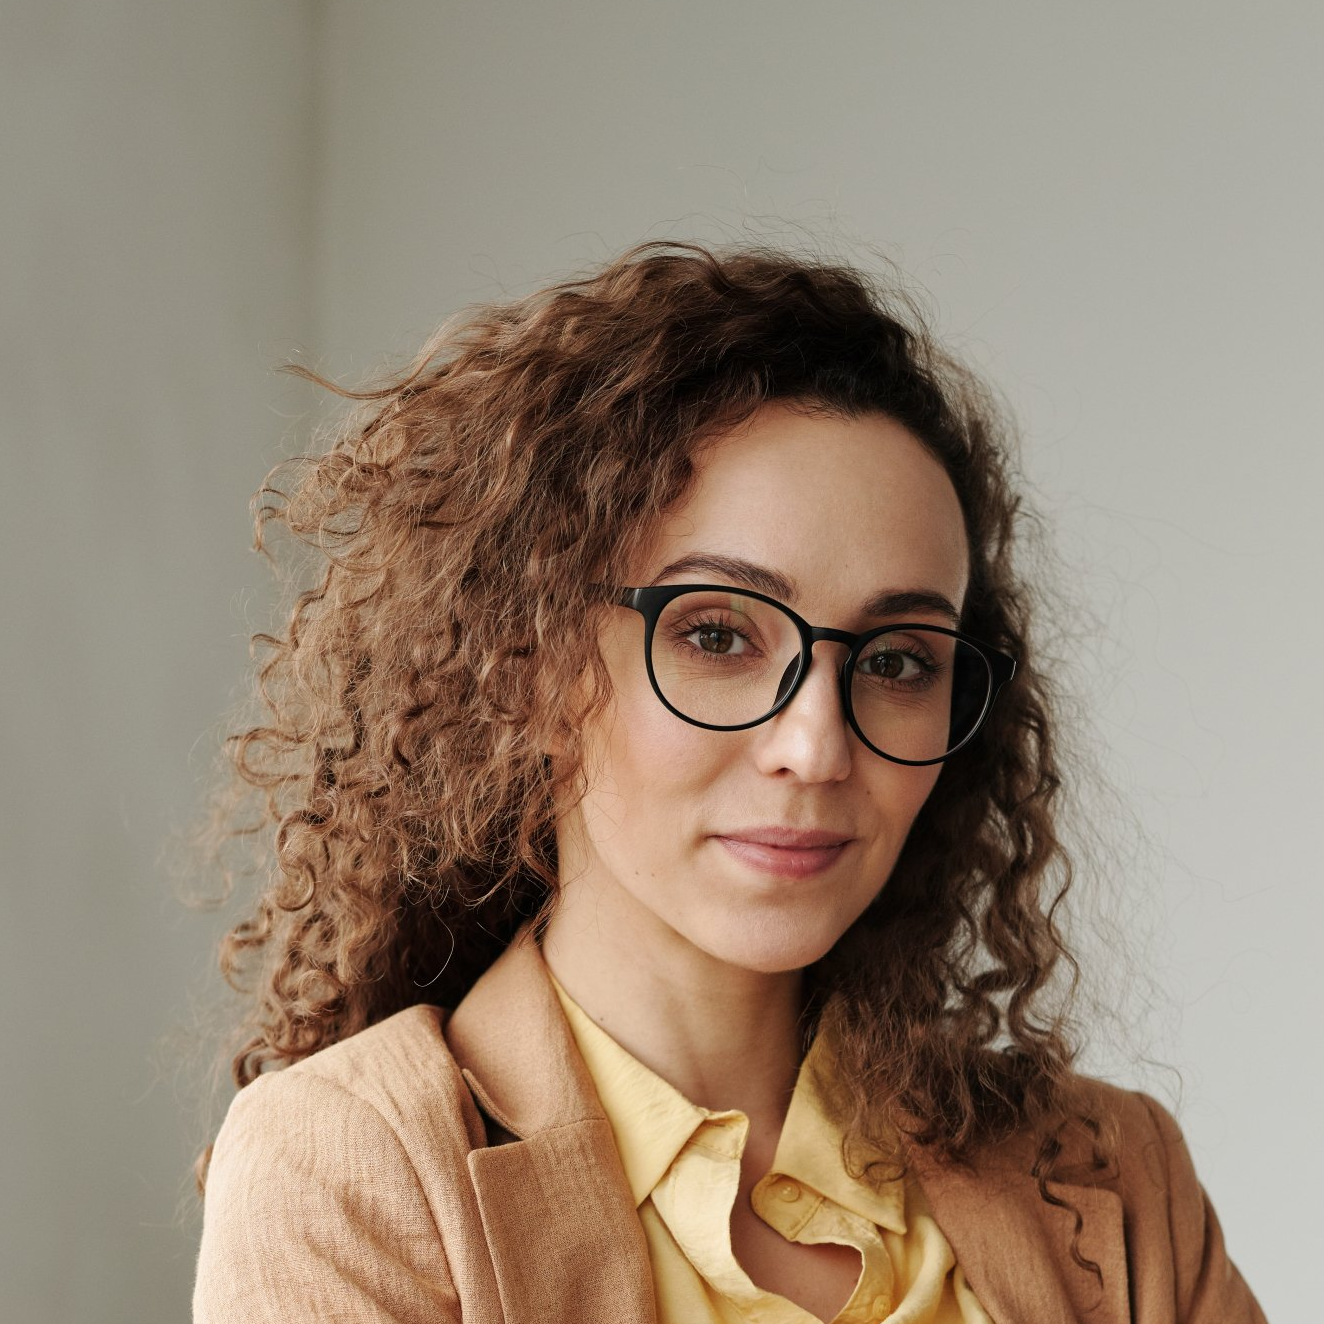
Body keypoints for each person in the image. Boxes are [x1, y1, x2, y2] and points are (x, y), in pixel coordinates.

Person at [189, 241, 1266, 1323]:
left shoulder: (1116, 1177)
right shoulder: (349, 1165)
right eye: (716, 633)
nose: (815, 746)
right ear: (525, 662)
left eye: (895, 660)